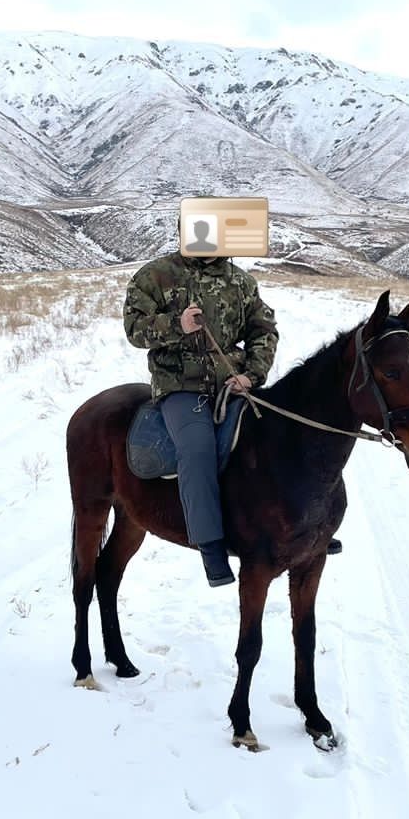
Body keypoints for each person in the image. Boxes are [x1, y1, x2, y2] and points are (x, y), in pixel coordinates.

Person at [123, 234, 279, 587]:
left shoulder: (241, 281)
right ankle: (211, 545)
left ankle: (298, 526)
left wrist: (251, 374)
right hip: (180, 386)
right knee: (197, 449)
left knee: (272, 436)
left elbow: (264, 330)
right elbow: (134, 330)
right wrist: (176, 325)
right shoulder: (156, 275)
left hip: (232, 382)